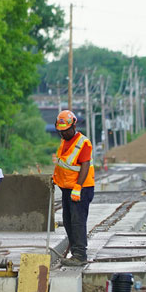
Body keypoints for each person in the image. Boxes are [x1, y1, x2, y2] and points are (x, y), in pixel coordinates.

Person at [52, 110, 95, 266]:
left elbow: (85, 165)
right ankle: (75, 252)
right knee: (68, 221)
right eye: (60, 131)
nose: (63, 134)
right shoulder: (64, 142)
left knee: (77, 221)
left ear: (73, 126)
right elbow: (64, 164)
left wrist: (78, 186)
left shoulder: (83, 142)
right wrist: (55, 178)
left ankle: (80, 255)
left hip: (81, 188)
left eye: (66, 131)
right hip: (67, 188)